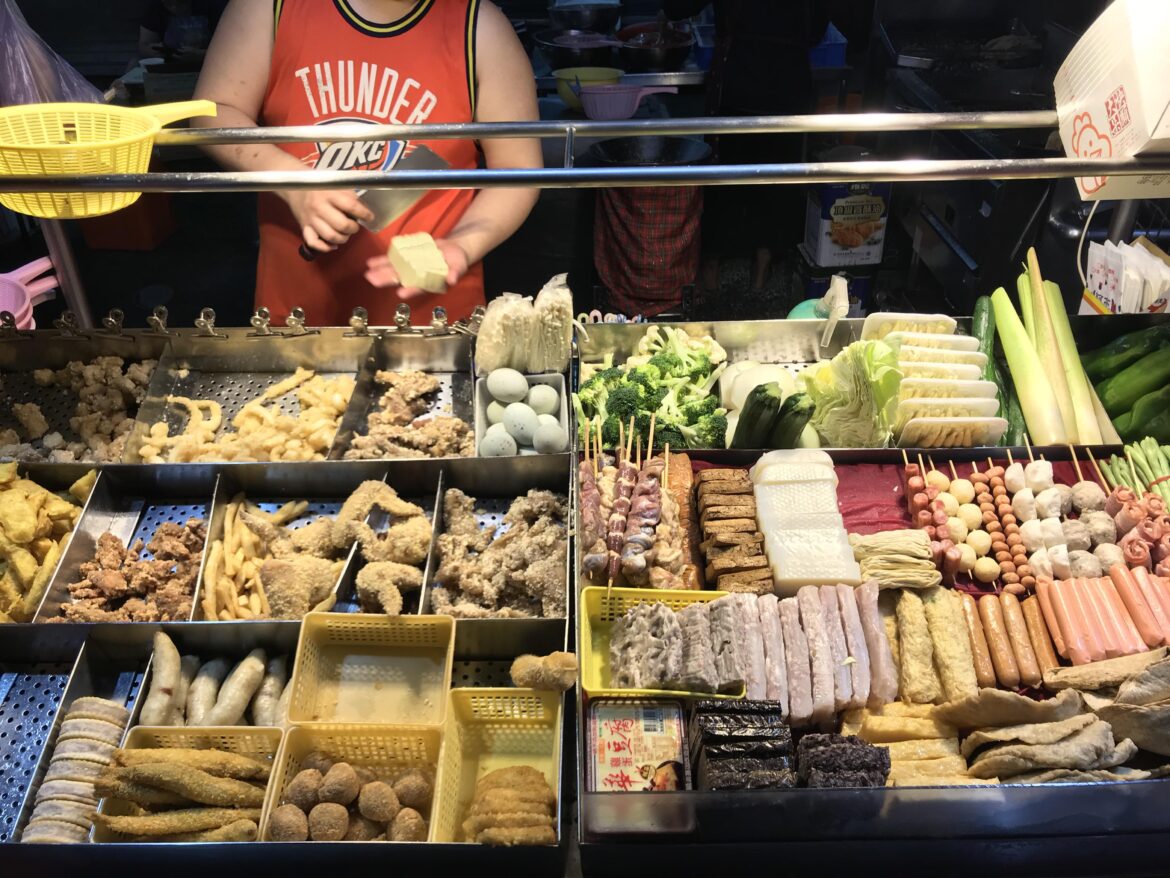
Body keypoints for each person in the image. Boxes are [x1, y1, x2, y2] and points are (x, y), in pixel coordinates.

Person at [193, 0, 541, 325]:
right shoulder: (269, 8)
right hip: (297, 315)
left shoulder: (481, 28)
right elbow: (213, 112)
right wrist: (295, 183)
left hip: (435, 321)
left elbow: (518, 171)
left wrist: (463, 245)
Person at [665, 0, 829, 295]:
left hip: (739, 82)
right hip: (789, 86)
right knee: (777, 176)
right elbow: (817, 31)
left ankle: (711, 266)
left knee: (723, 177)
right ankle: (763, 263)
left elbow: (676, 7)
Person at [139, 0, 226, 61]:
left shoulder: (213, 5)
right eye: (168, 3)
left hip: (206, 64)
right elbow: (144, 45)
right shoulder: (155, 7)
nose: (174, 7)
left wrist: (200, 55)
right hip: (166, 65)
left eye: (181, 3)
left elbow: (227, 49)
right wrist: (153, 52)